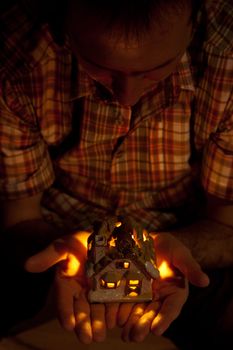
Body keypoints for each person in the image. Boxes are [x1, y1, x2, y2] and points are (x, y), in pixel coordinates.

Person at [0, 0, 233, 348]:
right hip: (57, 235)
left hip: (185, 241)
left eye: (155, 69)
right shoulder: (17, 60)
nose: (126, 97)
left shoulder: (227, 61)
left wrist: (149, 256)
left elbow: (227, 227)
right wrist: (82, 255)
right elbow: (19, 218)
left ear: (195, 23)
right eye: (99, 67)